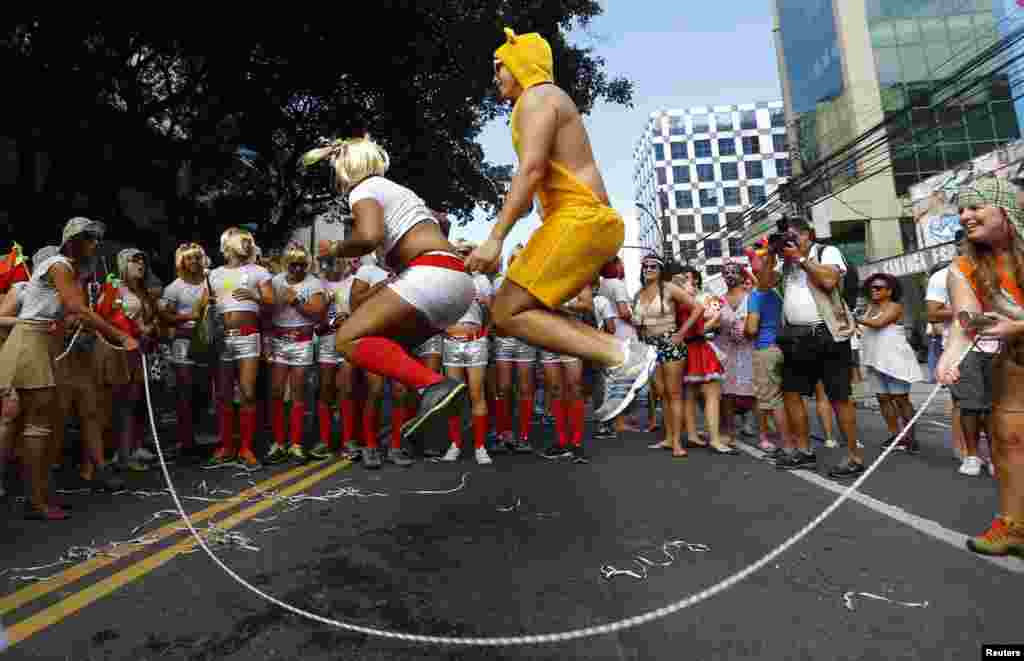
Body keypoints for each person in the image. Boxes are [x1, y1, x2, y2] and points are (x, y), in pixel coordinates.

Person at [464, 28, 657, 422]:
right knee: (521, 310)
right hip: (579, 223)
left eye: (499, 67)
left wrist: (494, 239)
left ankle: (620, 356)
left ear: (520, 64)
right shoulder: (541, 101)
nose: (495, 76)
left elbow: (530, 171)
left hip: (580, 220)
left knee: (507, 312)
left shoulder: (537, 98)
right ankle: (622, 355)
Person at [306, 137, 475, 450]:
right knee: (385, 349)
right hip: (457, 283)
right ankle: (432, 406)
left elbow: (370, 236)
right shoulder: (400, 191)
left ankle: (436, 388)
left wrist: (336, 249)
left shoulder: (364, 189)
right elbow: (439, 222)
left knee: (347, 339)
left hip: (430, 275)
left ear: (346, 167)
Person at [0, 217, 138, 520]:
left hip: (41, 345)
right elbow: (77, 308)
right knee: (36, 424)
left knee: (36, 424)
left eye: (95, 239)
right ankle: (36, 501)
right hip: (31, 346)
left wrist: (65, 322)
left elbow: (67, 312)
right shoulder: (60, 265)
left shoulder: (67, 270)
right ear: (73, 241)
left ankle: (37, 495)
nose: (95, 244)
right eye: (89, 238)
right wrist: (120, 335)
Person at [938, 176, 1024, 557]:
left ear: (1004, 210)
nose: (965, 217)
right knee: (1008, 442)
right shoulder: (962, 266)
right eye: (961, 210)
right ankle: (1013, 526)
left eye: (975, 207)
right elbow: (965, 322)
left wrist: (1018, 326)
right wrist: (949, 358)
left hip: (1014, 340)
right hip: (1011, 359)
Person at [774, 218, 863, 478]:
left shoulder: (826, 252)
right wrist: (771, 256)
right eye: (785, 237)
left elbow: (829, 281)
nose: (788, 241)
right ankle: (803, 451)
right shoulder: (786, 261)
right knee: (791, 392)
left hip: (828, 335)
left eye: (792, 236)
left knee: (839, 396)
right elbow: (765, 283)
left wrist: (801, 259)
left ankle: (853, 456)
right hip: (795, 337)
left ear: (807, 234)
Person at [201, 227, 272, 469]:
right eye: (241, 239)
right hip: (223, 339)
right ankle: (227, 447)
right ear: (227, 244)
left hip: (248, 337)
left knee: (247, 392)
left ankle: (246, 448)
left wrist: (255, 296)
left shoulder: (259, 271)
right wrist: (207, 308)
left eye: (248, 240)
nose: (246, 243)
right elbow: (206, 305)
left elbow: (272, 302)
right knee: (222, 395)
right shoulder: (213, 275)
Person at [260, 243, 327, 465]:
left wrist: (296, 301)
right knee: (277, 393)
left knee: (298, 393)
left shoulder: (314, 283)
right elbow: (266, 314)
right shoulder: (276, 281)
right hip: (279, 341)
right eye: (292, 265)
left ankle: (296, 443)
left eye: (301, 264)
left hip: (302, 342)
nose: (297, 269)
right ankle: (278, 442)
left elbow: (318, 314)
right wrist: (267, 342)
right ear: (286, 265)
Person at [96, 248, 160, 472]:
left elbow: (147, 319)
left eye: (143, 260)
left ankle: (130, 449)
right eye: (134, 260)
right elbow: (101, 316)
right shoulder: (113, 285)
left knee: (135, 401)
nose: (140, 264)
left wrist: (148, 327)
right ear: (123, 263)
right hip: (120, 350)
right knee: (120, 403)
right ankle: (117, 454)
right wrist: (124, 325)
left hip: (141, 349)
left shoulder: (141, 290)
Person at [634, 255, 701, 458]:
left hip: (670, 343)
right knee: (662, 394)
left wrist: (681, 333)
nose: (648, 269)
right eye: (645, 266)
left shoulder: (669, 288)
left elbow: (698, 308)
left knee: (673, 394)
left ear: (660, 269)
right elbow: (637, 323)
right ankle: (669, 438)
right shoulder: (639, 293)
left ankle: (677, 444)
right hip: (650, 347)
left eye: (653, 266)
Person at [857, 273, 924, 453]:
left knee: (901, 400)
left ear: (889, 291)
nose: (873, 290)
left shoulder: (895, 307)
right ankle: (896, 436)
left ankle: (911, 438)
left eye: (878, 288)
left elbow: (879, 323)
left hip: (895, 361)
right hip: (874, 360)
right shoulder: (870, 308)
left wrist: (853, 318)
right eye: (871, 287)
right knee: (883, 398)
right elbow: (863, 328)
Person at [159, 243, 209, 462]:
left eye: (197, 258)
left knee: (202, 392)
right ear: (182, 262)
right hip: (184, 341)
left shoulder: (210, 282)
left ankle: (197, 437)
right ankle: (185, 442)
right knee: (184, 392)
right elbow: (165, 317)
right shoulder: (174, 287)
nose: (194, 262)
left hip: (208, 342)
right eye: (189, 259)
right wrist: (190, 317)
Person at [312, 255, 358, 460]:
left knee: (347, 392)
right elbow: (315, 321)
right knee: (325, 392)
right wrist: (329, 319)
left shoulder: (355, 283)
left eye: (338, 260)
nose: (332, 264)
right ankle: (324, 440)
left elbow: (364, 312)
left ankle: (348, 440)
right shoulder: (318, 284)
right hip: (326, 342)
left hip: (348, 341)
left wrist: (349, 319)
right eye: (328, 261)